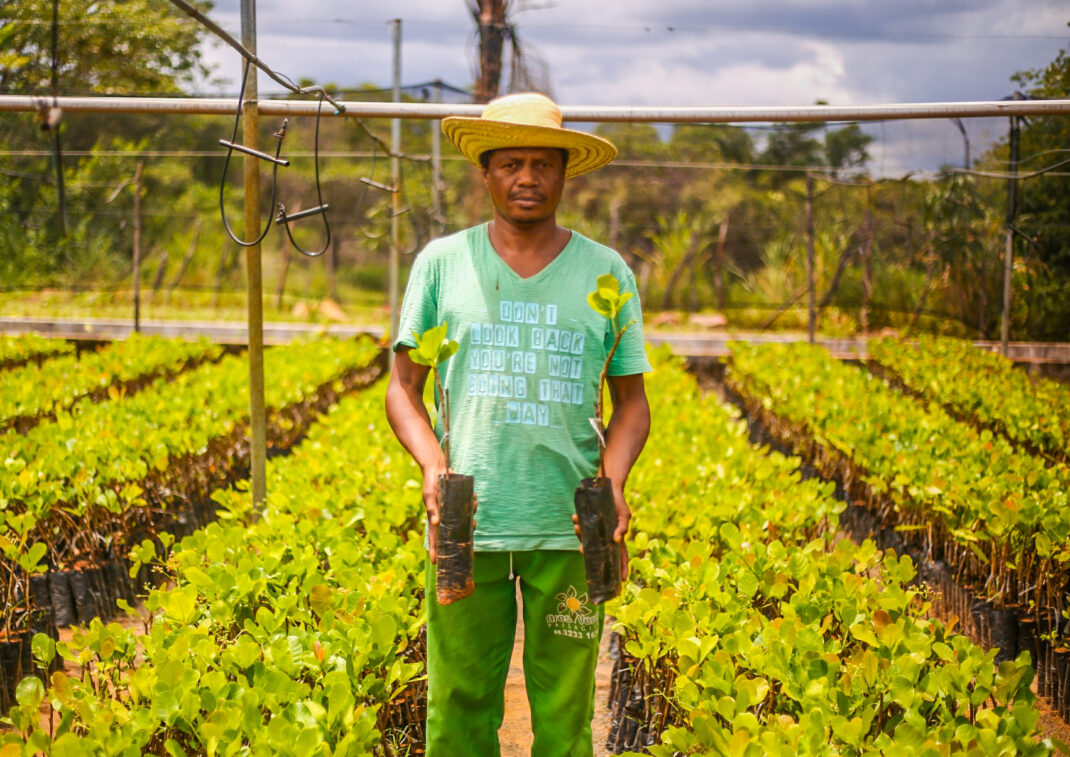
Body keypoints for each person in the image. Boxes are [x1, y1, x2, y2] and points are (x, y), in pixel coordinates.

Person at [384, 92, 652, 756]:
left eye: (541, 163)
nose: (526, 178)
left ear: (565, 172)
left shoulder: (606, 274)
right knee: (460, 704)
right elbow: (401, 389)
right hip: (466, 515)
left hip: (570, 522)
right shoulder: (443, 266)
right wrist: (431, 465)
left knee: (564, 716)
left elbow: (633, 405)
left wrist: (613, 481)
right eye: (510, 163)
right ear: (486, 172)